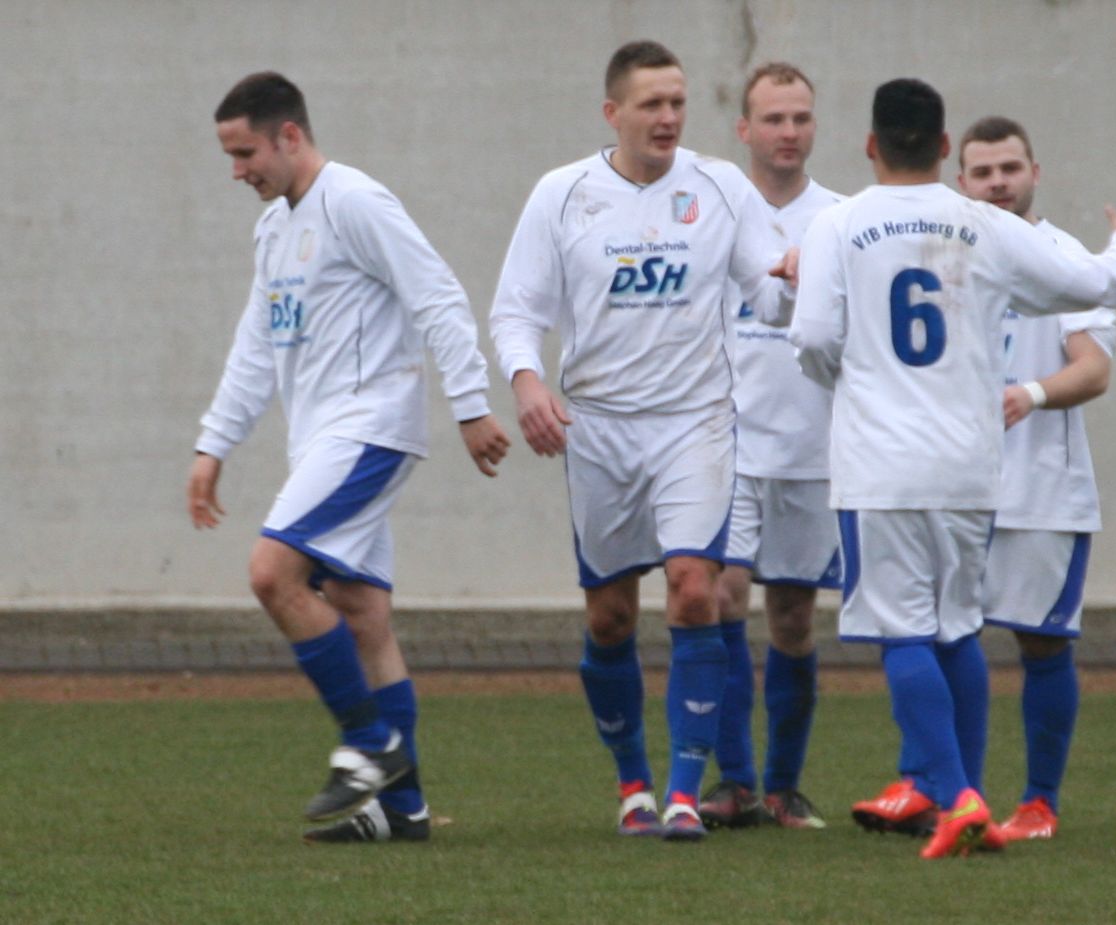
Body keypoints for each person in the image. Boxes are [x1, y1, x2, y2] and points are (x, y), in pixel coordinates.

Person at [789, 78, 1116, 859]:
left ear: (869, 145)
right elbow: (1098, 283)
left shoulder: (837, 223)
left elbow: (814, 337)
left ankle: (954, 796)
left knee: (901, 630)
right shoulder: (981, 223)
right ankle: (973, 794)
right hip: (967, 461)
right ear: (946, 148)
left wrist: (856, 383)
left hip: (880, 462)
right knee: (955, 627)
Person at [187, 72, 510, 843]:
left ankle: (370, 748)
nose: (238, 171)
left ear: (289, 135)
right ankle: (404, 810)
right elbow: (256, 346)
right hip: (322, 442)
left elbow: (435, 293)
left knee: (272, 572)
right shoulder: (274, 229)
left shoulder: (356, 201)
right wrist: (214, 443)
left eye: (245, 153)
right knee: (364, 614)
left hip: (370, 430)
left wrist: (470, 404)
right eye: (230, 156)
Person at [490, 40, 794, 842]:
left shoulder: (721, 187)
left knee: (694, 587)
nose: (667, 118)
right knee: (609, 618)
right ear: (611, 112)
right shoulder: (562, 195)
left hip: (694, 421)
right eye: (651, 104)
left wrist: (797, 282)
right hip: (599, 429)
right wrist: (527, 382)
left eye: (677, 103)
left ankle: (687, 790)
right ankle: (632, 783)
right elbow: (515, 310)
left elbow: (766, 290)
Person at [957, 116, 1116, 842]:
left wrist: (1031, 394)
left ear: (1034, 172)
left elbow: (1093, 367)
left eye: (1008, 169)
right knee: (936, 640)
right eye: (982, 171)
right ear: (960, 182)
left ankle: (1038, 803)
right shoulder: (942, 259)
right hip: (948, 489)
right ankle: (946, 792)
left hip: (1041, 493)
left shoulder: (1065, 259)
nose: (996, 183)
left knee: (1041, 644)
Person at [697, 62, 840, 832]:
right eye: (774, 119)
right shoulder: (714, 216)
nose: (788, 133)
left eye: (800, 118)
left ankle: (783, 785)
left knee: (790, 617)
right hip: (727, 445)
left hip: (812, 451)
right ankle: (735, 780)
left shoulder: (844, 220)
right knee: (720, 596)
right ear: (744, 129)